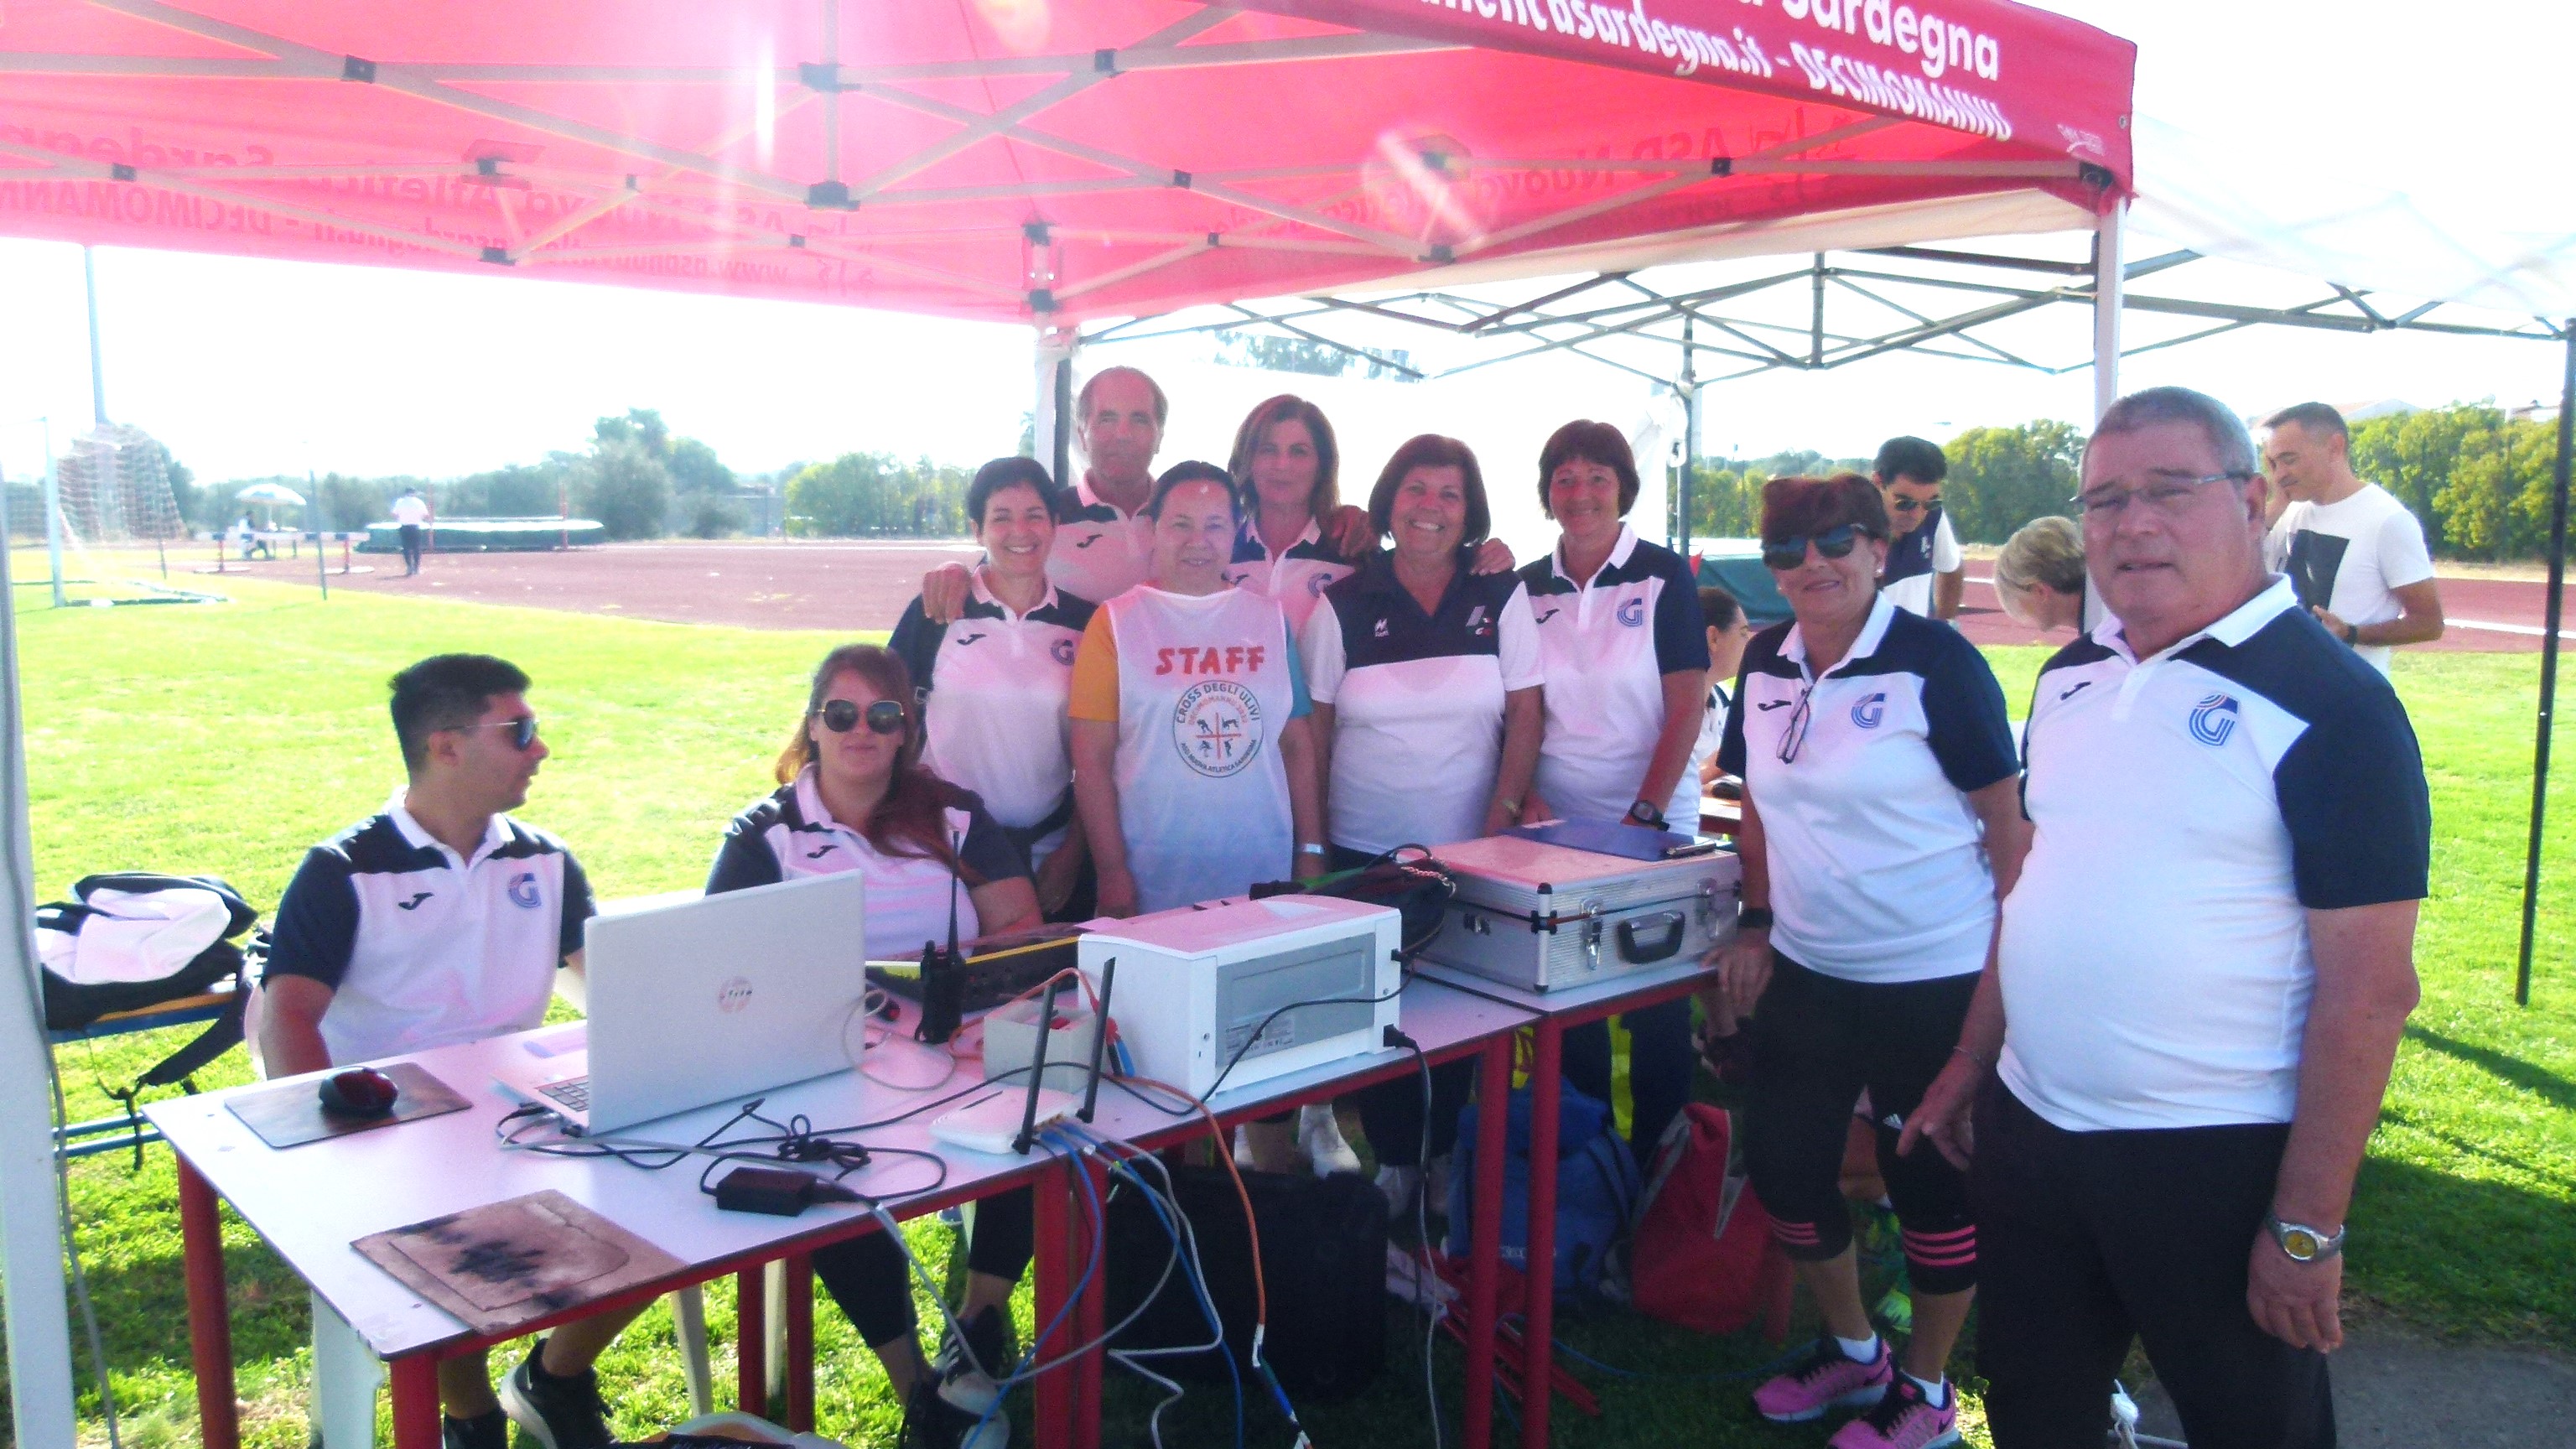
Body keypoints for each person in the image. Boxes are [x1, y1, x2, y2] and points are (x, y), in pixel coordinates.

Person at [1902, 387, 2430, 1448]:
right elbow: (2037, 885)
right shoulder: (2070, 677)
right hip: (2034, 1130)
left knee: (2253, 1426)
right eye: (2104, 500)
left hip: (2211, 1157)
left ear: (2249, 501)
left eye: (2169, 490)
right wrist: (1971, 1059)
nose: (2132, 523)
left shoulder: (2335, 706)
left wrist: (2306, 1224)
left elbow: (2371, 992)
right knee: (2036, 1411)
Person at [1706, 476, 2025, 1446]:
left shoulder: (1938, 662)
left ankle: (1926, 1392)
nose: (1812, 564)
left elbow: (2008, 833)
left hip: (1933, 976)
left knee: (1928, 1187)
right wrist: (1756, 922)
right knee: (1786, 1170)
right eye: (1786, 550)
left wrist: (2004, 986)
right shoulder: (1766, 660)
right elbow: (1758, 804)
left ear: (1880, 551)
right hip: (1810, 968)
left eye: (1835, 541)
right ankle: (1855, 1352)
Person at [259, 655, 642, 1449]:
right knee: (433, 1247)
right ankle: (470, 1415)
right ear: (446, 746)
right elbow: (288, 1016)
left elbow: (611, 983)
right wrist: (327, 1148)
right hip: (391, 1133)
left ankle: (557, 1374)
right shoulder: (342, 869)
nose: (542, 748)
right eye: (521, 731)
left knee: (679, 1195)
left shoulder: (545, 857)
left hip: (518, 1113)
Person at [707, 643, 1043, 1449]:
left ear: (905, 731)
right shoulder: (767, 834)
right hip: (829, 1067)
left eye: (883, 715)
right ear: (814, 725)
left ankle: (978, 1320)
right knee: (828, 1173)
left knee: (1038, 1120)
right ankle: (913, 1383)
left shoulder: (954, 814)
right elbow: (721, 972)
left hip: (953, 1051)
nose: (862, 729)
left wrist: (962, 995)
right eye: (842, 713)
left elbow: (1020, 929)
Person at [1301, 434, 1544, 1213]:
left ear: (1470, 511)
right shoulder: (1341, 605)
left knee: (1458, 1012)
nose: (1430, 508)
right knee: (1382, 1013)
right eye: (1415, 489)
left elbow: (1526, 714)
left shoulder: (1499, 595)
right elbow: (1314, 734)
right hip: (1365, 851)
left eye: (1449, 494)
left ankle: (1441, 1160)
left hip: (1471, 851)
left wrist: (1503, 818)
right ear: (1388, 501)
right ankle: (1397, 1163)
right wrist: (1314, 846)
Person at [1518, 420, 1708, 1161]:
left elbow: (1687, 702)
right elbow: (1518, 705)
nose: (1581, 493)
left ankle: (1662, 1169)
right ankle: (1590, 1167)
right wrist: (1525, 794)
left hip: (1653, 823)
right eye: (1564, 478)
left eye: (1597, 477)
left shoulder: (1663, 575)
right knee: (1573, 1005)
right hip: (1558, 828)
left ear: (1622, 487)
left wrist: (1645, 813)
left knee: (1658, 1007)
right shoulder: (1525, 586)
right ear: (1547, 492)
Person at [1068, 460, 1328, 919]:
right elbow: (1091, 762)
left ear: (1236, 532)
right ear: (1153, 529)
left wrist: (1310, 850)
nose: (1198, 541)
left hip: (1262, 867)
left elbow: (1297, 745)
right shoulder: (1114, 623)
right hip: (1153, 872)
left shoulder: (1270, 620)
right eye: (1181, 524)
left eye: (1214, 525)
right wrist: (1111, 872)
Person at [891, 459, 1097, 920]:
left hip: (1048, 852)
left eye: (1034, 515)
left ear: (1055, 525)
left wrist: (1072, 853)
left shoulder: (1086, 624)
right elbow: (886, 721)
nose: (1020, 531)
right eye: (1001, 517)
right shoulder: (935, 613)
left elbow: (1099, 754)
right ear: (977, 530)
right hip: (943, 850)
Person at [2260, 402, 2445, 674]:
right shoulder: (2289, 510)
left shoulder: (2388, 521)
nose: (2279, 474)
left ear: (2335, 447)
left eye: (2289, 460)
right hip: (2280, 687)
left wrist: (2351, 633)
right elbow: (2233, 568)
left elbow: (2429, 623)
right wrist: (2277, 503)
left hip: (2346, 692)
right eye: (2273, 464)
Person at [1872, 437, 1961, 620]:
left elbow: (1952, 568)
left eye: (1931, 503)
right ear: (1878, 482)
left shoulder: (1934, 517)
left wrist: (1944, 626)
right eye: (1905, 503)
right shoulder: (1851, 529)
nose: (1917, 514)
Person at [1692, 584, 1753, 793]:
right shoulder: (1657, 707)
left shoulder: (1724, 699)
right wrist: (1720, 763)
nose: (1749, 643)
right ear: (1713, 638)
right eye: (1743, 633)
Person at [1992, 516, 2087, 636]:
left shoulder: (2096, 635)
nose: (2020, 610)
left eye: (2017, 599)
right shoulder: (2100, 610)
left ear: (2040, 591)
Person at [392, 486, 434, 577]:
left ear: (405, 493)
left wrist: (402, 517)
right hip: (415, 527)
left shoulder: (400, 502)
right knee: (416, 548)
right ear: (414, 493)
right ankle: (416, 568)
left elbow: (394, 514)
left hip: (404, 527)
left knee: (406, 548)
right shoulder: (419, 502)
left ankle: (409, 567)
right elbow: (426, 515)